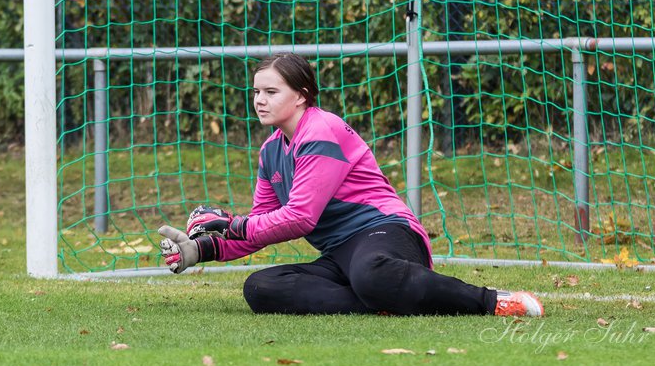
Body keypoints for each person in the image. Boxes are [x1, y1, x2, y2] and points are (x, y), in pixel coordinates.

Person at [158, 53, 544, 317]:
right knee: (261, 288)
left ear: (302, 96)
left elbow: (299, 218)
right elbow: (261, 225)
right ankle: (384, 300)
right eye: (256, 91)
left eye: (271, 92)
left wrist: (229, 222)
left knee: (371, 272)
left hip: (388, 235)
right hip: (343, 255)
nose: (259, 100)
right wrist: (200, 250)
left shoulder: (321, 129)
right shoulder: (270, 151)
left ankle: (492, 300)